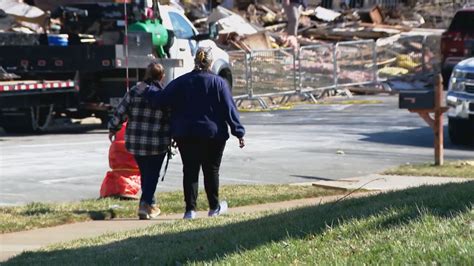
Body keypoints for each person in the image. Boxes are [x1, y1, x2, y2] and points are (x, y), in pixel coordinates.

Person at [145, 47, 245, 219]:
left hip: (186, 133)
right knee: (211, 170)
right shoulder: (219, 82)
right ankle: (214, 207)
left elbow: (160, 100)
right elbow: (229, 109)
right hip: (213, 134)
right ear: (211, 62)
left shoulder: (181, 82)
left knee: (190, 170)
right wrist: (238, 131)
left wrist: (150, 87)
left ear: (195, 61)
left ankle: (190, 210)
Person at [108, 62, 171, 220]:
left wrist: (113, 128)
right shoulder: (164, 94)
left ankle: (151, 203)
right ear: (162, 76)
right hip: (157, 141)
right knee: (153, 174)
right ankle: (145, 204)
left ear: (146, 74)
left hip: (136, 141)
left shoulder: (134, 91)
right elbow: (171, 117)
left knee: (145, 173)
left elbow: (120, 112)